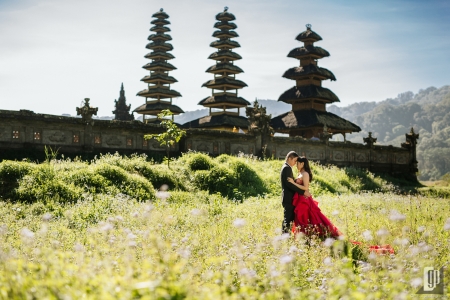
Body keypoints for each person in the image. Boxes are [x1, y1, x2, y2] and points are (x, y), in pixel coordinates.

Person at [287, 156, 341, 238]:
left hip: (304, 199)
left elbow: (305, 187)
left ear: (302, 164)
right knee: (300, 217)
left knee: (304, 217)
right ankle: (302, 236)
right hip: (300, 199)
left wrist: (293, 183)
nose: (296, 165)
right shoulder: (300, 173)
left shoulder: (305, 174)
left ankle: (308, 235)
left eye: (297, 163)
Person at [280, 151, 311, 233]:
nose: (295, 163)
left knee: (289, 218)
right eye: (295, 161)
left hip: (290, 198)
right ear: (290, 158)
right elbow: (289, 185)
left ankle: (286, 235)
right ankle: (285, 236)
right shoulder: (287, 168)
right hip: (288, 197)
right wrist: (303, 192)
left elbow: (292, 183)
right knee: (288, 218)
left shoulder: (287, 167)